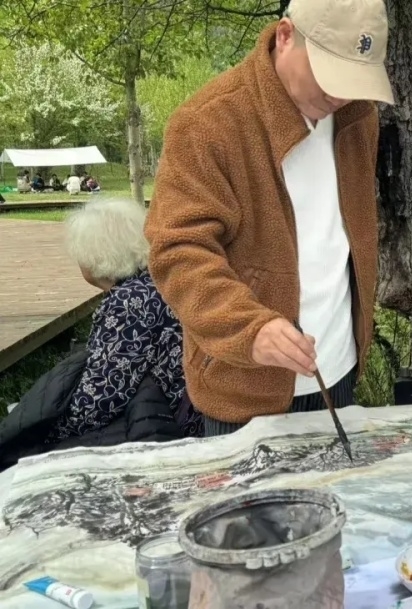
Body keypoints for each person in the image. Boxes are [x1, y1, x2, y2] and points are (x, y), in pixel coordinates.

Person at [145, 0, 394, 436]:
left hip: (338, 370)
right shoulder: (207, 123)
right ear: (285, 36)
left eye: (353, 78)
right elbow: (178, 251)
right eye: (329, 72)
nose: (339, 94)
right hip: (245, 387)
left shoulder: (358, 116)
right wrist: (250, 328)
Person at [51, 198, 202, 441]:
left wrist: (46, 433)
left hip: (168, 427)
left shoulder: (128, 303)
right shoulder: (162, 281)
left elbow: (99, 400)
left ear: (92, 257)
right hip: (196, 412)